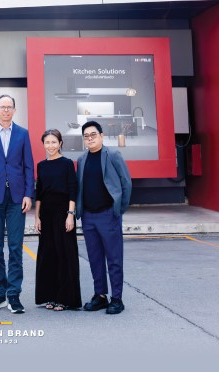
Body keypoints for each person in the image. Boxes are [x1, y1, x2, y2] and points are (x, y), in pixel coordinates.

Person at [0, 94, 34, 314]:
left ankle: (14, 294)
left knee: (15, 247)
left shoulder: (22, 133)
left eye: (9, 107)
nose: (5, 110)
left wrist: (29, 194)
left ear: (14, 110)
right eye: (2, 107)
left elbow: (28, 165)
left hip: (17, 198)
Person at [76, 121, 132, 315]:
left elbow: (126, 183)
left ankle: (117, 298)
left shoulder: (113, 155)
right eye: (86, 136)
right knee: (95, 259)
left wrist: (119, 209)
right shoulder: (82, 159)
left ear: (101, 136)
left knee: (114, 259)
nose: (90, 139)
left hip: (108, 214)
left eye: (93, 135)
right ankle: (100, 296)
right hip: (88, 217)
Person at [34, 129, 81, 311]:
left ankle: (65, 299)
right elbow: (39, 193)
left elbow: (72, 190)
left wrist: (70, 215)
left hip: (63, 213)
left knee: (64, 254)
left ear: (60, 143)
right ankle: (50, 296)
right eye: (47, 142)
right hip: (46, 214)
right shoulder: (41, 166)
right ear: (43, 144)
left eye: (54, 142)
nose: (51, 146)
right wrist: (37, 217)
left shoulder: (67, 164)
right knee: (48, 256)